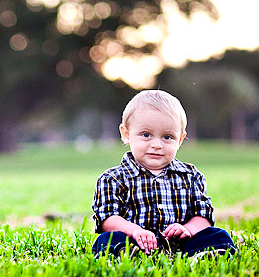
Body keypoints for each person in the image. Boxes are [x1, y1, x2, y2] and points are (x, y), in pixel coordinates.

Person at [91, 90, 236, 259]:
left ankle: (199, 255)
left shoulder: (190, 176)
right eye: (146, 135)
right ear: (126, 134)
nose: (157, 144)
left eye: (167, 137)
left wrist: (187, 229)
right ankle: (129, 255)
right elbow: (108, 219)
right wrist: (135, 231)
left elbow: (202, 216)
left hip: (182, 244)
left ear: (180, 140)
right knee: (107, 240)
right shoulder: (113, 179)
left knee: (218, 235)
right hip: (132, 239)